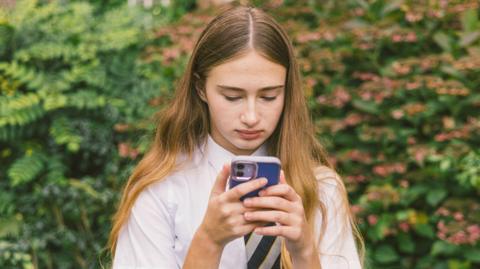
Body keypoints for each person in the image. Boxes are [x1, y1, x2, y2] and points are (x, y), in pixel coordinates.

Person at [108, 5, 363, 269]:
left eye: (269, 96)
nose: (251, 116)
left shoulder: (322, 188)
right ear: (200, 88)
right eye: (232, 96)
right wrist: (209, 240)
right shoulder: (162, 188)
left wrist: (304, 252)